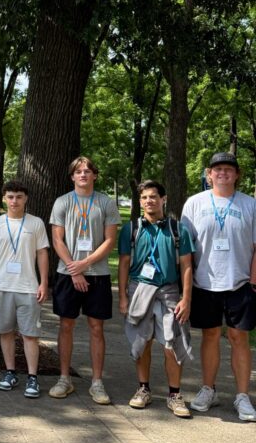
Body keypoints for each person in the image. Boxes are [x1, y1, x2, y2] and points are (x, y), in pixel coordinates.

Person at [181, 152, 256, 422]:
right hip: (205, 282)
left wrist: (254, 282)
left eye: (228, 169)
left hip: (240, 283)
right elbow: (185, 248)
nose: (223, 173)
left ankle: (242, 396)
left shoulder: (251, 204)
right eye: (217, 169)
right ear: (209, 174)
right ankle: (208, 389)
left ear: (237, 175)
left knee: (239, 338)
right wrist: (186, 286)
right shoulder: (194, 203)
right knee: (210, 336)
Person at [118, 180, 195, 418]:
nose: (149, 201)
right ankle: (143, 389)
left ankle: (174, 394)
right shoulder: (131, 228)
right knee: (142, 342)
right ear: (139, 201)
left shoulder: (177, 229)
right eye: (144, 198)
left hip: (169, 292)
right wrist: (122, 296)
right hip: (139, 289)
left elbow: (186, 265)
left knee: (172, 343)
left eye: (153, 197)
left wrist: (186, 299)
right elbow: (123, 263)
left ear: (163, 199)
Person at [49, 156, 121, 403]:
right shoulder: (62, 202)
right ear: (72, 176)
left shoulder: (106, 203)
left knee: (96, 327)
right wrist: (75, 270)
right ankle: (64, 378)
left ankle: (97, 383)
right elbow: (57, 239)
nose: (83, 175)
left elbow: (110, 240)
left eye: (87, 171)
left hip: (98, 275)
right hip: (67, 274)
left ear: (95, 176)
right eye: (78, 171)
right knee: (66, 325)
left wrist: (85, 264)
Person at [0, 180, 49, 398]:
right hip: (1, 286)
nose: (14, 201)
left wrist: (43, 282)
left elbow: (42, 253)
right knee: (6, 332)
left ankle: (32, 377)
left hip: (28, 287)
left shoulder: (36, 223)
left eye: (19, 197)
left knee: (30, 334)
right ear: (4, 198)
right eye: (10, 196)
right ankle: (10, 372)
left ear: (26, 199)